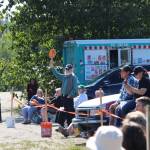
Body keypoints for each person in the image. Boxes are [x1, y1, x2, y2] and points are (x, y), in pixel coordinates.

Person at [50, 60, 78, 126]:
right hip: (63, 97)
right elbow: (57, 74)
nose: (67, 70)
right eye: (66, 69)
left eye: (68, 69)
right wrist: (52, 67)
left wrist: (70, 95)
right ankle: (61, 126)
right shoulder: (64, 77)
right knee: (61, 111)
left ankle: (70, 128)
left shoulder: (73, 77)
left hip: (69, 98)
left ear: (71, 70)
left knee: (70, 114)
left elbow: (75, 89)